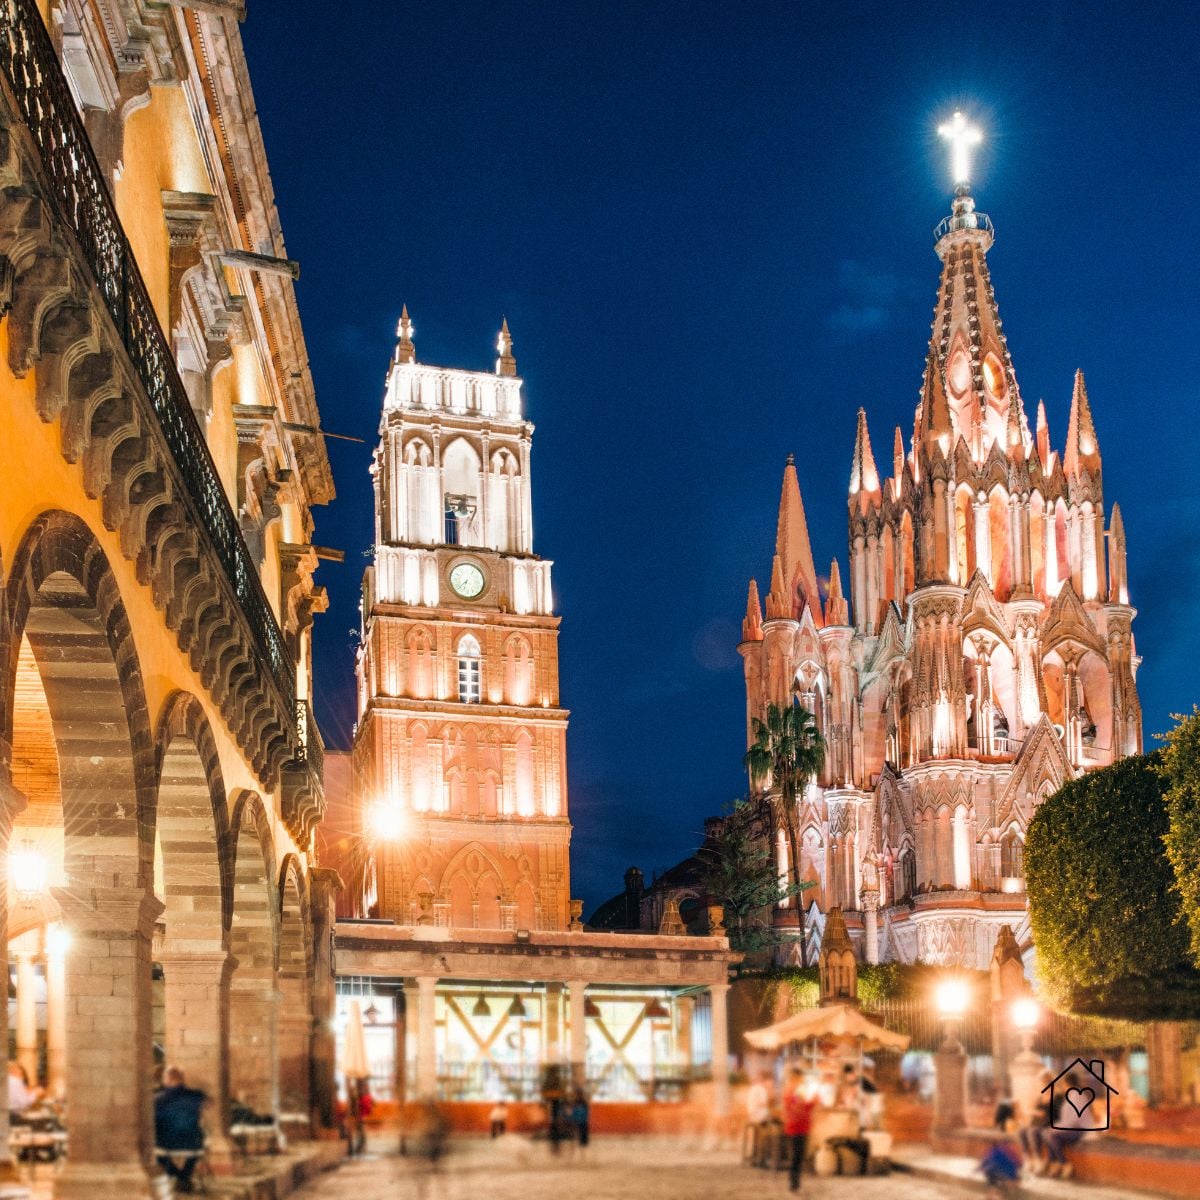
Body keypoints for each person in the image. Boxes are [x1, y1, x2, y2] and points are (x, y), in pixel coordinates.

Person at [154, 1066, 206, 1195]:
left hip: (167, 1144)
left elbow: (155, 1123)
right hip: (193, 1144)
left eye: (164, 1078)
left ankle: (179, 1176)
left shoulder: (157, 1099)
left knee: (156, 1155)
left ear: (168, 1079)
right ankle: (184, 1177)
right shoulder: (197, 1096)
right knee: (196, 1146)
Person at [1043, 1073, 1089, 1179]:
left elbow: (1074, 1120)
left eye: (1063, 1084)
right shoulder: (1072, 1095)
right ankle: (1055, 1163)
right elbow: (1066, 1120)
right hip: (1071, 1128)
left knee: (1049, 1135)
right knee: (1049, 1134)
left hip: (1080, 1130)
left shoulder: (1077, 1096)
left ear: (1067, 1084)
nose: (1062, 1086)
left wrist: (1057, 1128)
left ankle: (1064, 1163)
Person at [781, 1067, 817, 1193]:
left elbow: (800, 1106)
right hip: (797, 1127)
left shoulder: (793, 1090)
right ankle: (794, 1185)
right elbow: (798, 1108)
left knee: (797, 1157)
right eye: (801, 1077)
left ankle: (795, 1184)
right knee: (797, 1157)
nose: (802, 1080)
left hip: (798, 1126)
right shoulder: (792, 1091)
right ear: (795, 1077)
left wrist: (811, 1103)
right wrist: (812, 1103)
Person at [1018, 1070, 1055, 1173]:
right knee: (1021, 1131)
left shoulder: (1054, 1095)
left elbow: (1055, 1112)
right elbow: (1029, 1109)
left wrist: (1041, 1113)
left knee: (1032, 1131)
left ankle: (1038, 1159)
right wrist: (1035, 1112)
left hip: (1047, 1122)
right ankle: (1027, 1158)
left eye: (1046, 1081)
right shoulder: (1040, 1096)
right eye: (1043, 1081)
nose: (1043, 1083)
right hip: (1036, 1121)